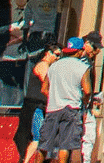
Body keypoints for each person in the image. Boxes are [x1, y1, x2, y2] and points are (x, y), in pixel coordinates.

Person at [38, 35, 97, 163]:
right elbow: (87, 91)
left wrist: (54, 97)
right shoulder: (83, 67)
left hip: (53, 108)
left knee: (44, 144)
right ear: (80, 51)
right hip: (72, 109)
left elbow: (44, 89)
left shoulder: (54, 66)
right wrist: (84, 101)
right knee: (65, 145)